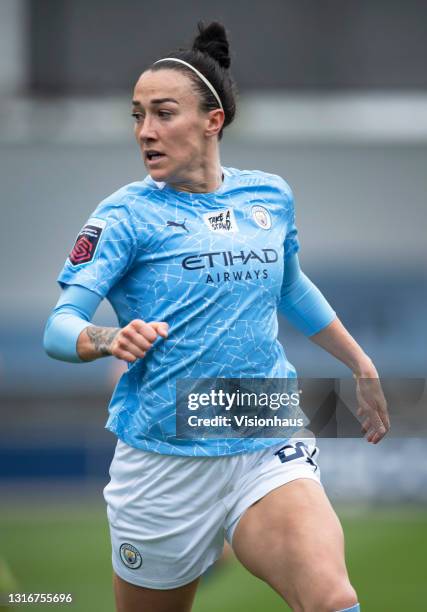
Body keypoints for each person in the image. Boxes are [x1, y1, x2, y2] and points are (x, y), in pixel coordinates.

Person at [44, 21, 389, 612]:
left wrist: (359, 361)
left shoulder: (269, 197)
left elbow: (291, 287)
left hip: (265, 428)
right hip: (163, 457)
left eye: (163, 113)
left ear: (213, 120)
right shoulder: (124, 216)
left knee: (332, 598)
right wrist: (107, 337)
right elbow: (60, 325)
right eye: (137, 116)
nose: (145, 131)